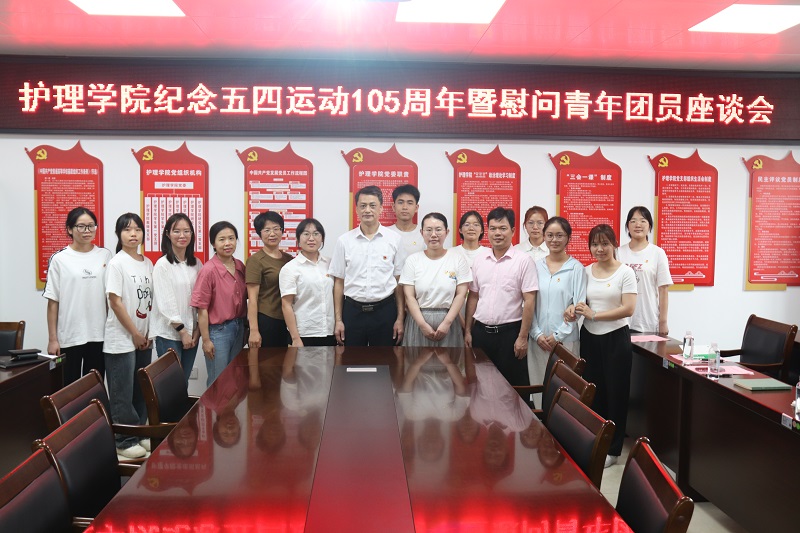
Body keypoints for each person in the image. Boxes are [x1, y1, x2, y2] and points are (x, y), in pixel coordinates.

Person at [567, 224, 637, 468]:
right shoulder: (586, 271)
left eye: (605, 243)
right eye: (595, 244)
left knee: (616, 394)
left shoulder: (625, 273)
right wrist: (573, 309)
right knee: (594, 392)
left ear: (615, 244)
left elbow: (628, 309)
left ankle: (613, 450)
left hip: (616, 338)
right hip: (589, 337)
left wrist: (595, 315)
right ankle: (595, 442)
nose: (600, 249)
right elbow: (580, 301)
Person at [465, 207, 538, 392]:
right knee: (480, 387)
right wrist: (468, 330)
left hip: (510, 335)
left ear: (512, 231)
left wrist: (523, 337)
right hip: (481, 333)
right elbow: (473, 296)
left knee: (511, 390)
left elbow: (529, 301)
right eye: (493, 228)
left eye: (503, 228)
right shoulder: (480, 260)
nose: (497, 233)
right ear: (487, 231)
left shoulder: (524, 261)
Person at [103, 213, 153, 459]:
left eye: (137, 229)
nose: (133, 234)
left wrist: (147, 333)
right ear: (118, 234)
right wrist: (134, 333)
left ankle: (140, 433)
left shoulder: (147, 262)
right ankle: (123, 439)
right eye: (127, 229)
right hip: (121, 339)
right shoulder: (117, 263)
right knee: (122, 392)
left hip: (143, 338)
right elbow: (115, 302)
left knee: (141, 390)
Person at [329, 185, 406, 346]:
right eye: (363, 206)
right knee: (352, 359)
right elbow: (339, 282)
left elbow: (399, 281)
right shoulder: (344, 241)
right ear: (356, 209)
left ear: (381, 208)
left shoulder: (394, 239)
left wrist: (400, 318)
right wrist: (338, 320)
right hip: (352, 312)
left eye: (372, 205)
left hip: (385, 311)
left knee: (386, 359)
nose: (367, 210)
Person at [43, 207, 112, 385]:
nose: (87, 231)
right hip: (70, 335)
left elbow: (109, 298)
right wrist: (52, 339)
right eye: (81, 226)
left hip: (99, 334)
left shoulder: (105, 255)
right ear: (69, 229)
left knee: (94, 386)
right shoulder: (59, 259)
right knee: (68, 387)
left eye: (91, 226)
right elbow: (53, 302)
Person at [528, 217, 586, 406]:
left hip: (565, 342)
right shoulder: (535, 266)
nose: (554, 240)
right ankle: (539, 424)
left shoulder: (576, 268)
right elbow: (529, 303)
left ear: (568, 237)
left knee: (564, 393)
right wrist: (536, 334)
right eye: (550, 235)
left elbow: (578, 306)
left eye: (560, 235)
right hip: (538, 342)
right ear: (544, 237)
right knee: (539, 391)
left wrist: (557, 336)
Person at [400, 213, 471, 347]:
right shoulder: (413, 261)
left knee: (449, 359)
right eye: (428, 230)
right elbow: (409, 297)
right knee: (416, 359)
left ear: (447, 232)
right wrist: (422, 325)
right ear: (421, 232)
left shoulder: (457, 260)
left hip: (449, 321)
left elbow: (461, 295)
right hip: (418, 320)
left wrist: (447, 323)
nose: (433, 235)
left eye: (438, 230)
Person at [191, 221, 247, 387]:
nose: (227, 243)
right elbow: (202, 309)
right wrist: (206, 340)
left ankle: (229, 407)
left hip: (239, 328)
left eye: (231, 238)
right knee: (218, 380)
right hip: (218, 332)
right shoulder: (208, 270)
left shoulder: (240, 266)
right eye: (222, 239)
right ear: (213, 244)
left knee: (234, 378)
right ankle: (214, 406)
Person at [150, 213, 202, 384]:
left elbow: (201, 299)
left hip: (192, 332)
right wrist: (183, 332)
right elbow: (166, 303)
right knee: (170, 385)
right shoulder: (162, 265)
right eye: (176, 231)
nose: (182, 235)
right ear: (167, 234)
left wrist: (197, 331)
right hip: (169, 334)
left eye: (186, 231)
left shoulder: (197, 264)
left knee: (183, 383)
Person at [279, 218, 336, 347]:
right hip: (304, 333)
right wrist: (295, 338)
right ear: (298, 239)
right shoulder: (290, 268)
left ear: (322, 238)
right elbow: (286, 305)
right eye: (306, 234)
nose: (311, 238)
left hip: (329, 331)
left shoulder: (330, 264)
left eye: (316, 234)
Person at [617, 206, 673, 335]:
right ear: (627, 226)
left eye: (643, 221)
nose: (638, 225)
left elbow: (663, 290)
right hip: (621, 321)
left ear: (649, 226)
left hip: (648, 320)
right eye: (633, 221)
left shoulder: (657, 253)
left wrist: (663, 321)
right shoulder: (618, 252)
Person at [246, 211, 293, 348]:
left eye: (276, 229)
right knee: (267, 361)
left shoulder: (289, 259)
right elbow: (252, 299)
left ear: (282, 231)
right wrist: (254, 330)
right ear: (259, 233)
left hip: (286, 319)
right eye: (267, 230)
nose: (272, 234)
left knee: (285, 360)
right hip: (267, 319)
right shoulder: (255, 261)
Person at [388, 184, 425, 256]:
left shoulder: (424, 234)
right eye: (400, 202)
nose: (405, 207)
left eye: (410, 203)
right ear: (393, 207)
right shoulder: (386, 233)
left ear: (416, 208)